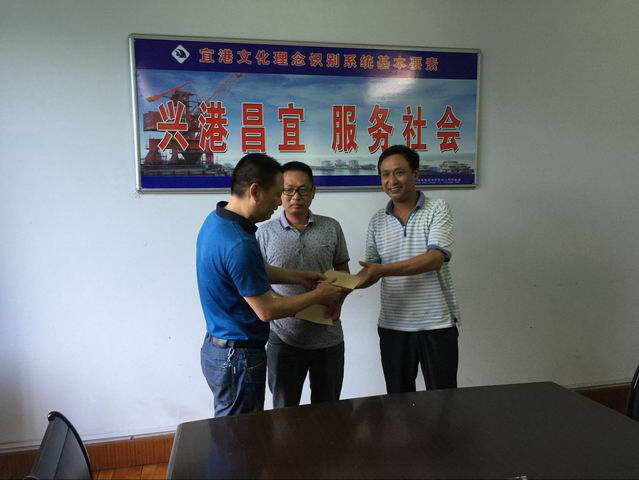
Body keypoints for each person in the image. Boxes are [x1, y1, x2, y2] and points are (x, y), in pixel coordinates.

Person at [196, 153, 345, 417]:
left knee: (235, 430)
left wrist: (298, 277)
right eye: (278, 193)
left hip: (220, 347)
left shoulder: (218, 221)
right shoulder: (240, 243)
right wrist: (319, 294)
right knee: (240, 433)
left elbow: (249, 270)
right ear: (255, 191)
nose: (279, 202)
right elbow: (267, 310)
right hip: (238, 355)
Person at [357, 145, 461, 394]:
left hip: (436, 324)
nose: (392, 181)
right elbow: (370, 270)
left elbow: (434, 259)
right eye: (385, 174)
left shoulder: (438, 208)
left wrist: (382, 270)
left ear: (415, 174)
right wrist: (339, 286)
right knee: (397, 401)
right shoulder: (377, 220)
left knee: (444, 399)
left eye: (399, 172)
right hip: (393, 326)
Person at [256, 161, 351, 408]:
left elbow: (343, 272)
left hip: (328, 337)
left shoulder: (331, 227)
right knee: (284, 411)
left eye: (303, 189)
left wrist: (339, 300)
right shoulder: (263, 233)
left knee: (328, 410)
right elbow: (257, 281)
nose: (295, 196)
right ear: (279, 192)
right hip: (283, 337)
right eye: (288, 190)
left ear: (313, 192)